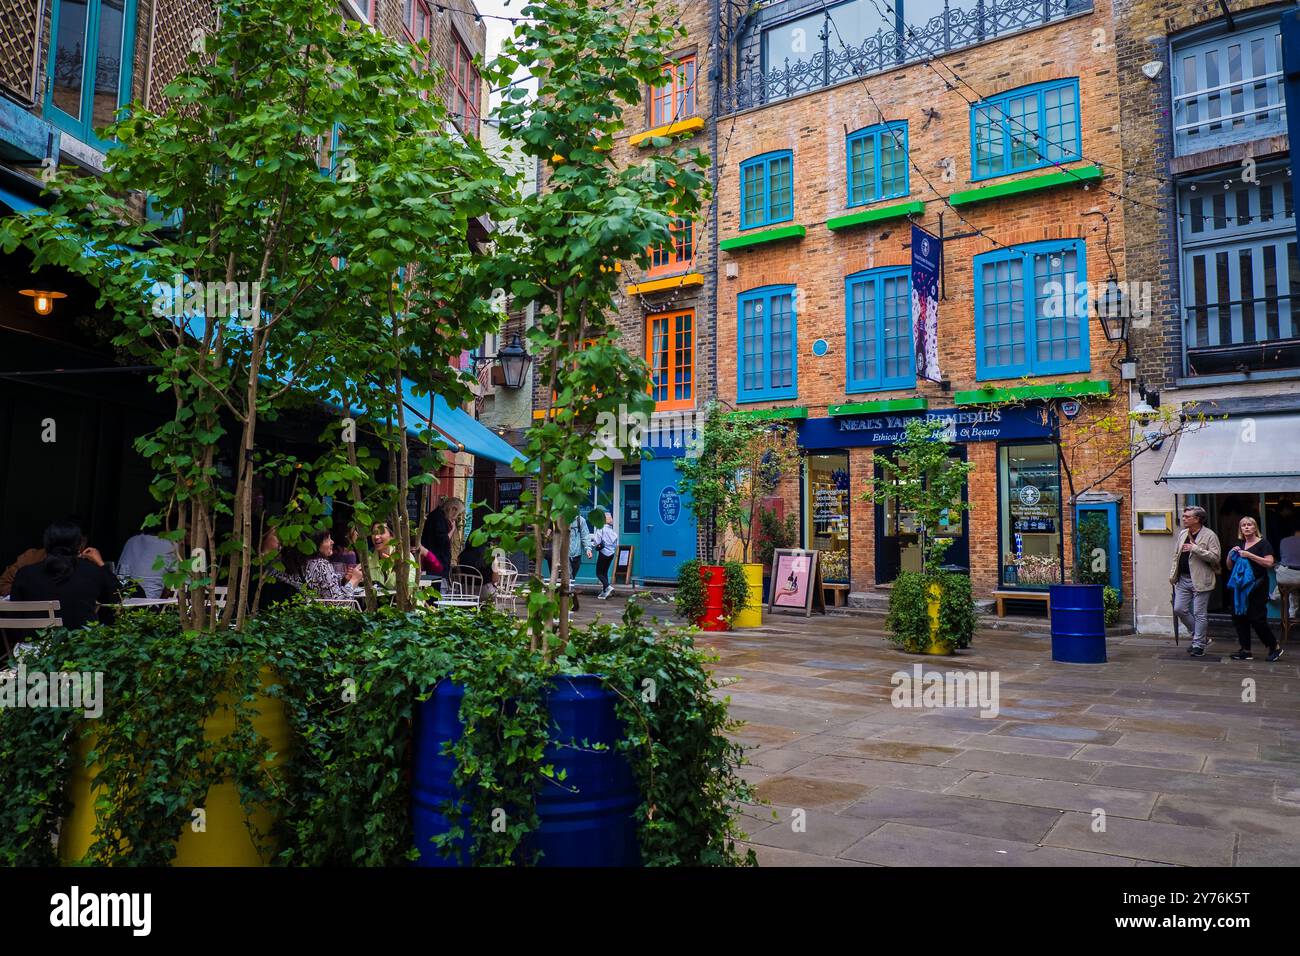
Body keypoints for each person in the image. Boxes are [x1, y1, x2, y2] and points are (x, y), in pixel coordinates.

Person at [9, 520, 120, 631]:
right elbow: (118, 597)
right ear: (79, 545)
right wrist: (101, 564)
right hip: (81, 641)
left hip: (35, 641)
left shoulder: (25, 573)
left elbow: (14, 615)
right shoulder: (93, 572)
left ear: (46, 544)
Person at [1226, 516, 1282, 662]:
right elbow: (1229, 566)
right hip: (1240, 587)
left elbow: (1269, 563)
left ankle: (1274, 646)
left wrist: (1249, 555)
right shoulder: (1239, 544)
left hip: (1258, 585)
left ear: (1255, 527)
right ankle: (1245, 650)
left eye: (1249, 524)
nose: (1246, 527)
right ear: (1240, 529)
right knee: (1239, 617)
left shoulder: (1263, 544)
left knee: (1257, 618)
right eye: (1243, 525)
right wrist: (1230, 554)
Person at [1169, 505, 1220, 658]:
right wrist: (1173, 575)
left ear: (1197, 519)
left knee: (1199, 613)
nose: (1183, 519)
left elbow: (1215, 557)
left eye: (1187, 516)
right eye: (1184, 516)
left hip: (1201, 579)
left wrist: (1195, 549)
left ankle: (1198, 644)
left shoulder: (1210, 535)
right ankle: (1200, 636)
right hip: (1183, 579)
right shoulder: (1183, 533)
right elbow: (1176, 556)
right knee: (1179, 609)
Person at [276, 529, 363, 600]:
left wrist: (344, 581)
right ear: (316, 544)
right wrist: (354, 580)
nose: (332, 542)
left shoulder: (295, 563)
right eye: (327, 539)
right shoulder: (321, 564)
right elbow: (338, 603)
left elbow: (322, 590)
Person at [116, 520, 178, 599]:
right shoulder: (170, 545)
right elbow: (185, 580)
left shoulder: (131, 541)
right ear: (167, 528)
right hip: (148, 603)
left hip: (121, 599)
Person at [566, 511, 593, 611]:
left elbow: (585, 535)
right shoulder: (561, 519)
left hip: (576, 554)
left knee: (571, 579)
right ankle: (570, 604)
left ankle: (569, 603)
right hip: (564, 555)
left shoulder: (580, 520)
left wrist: (588, 549)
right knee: (568, 578)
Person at [590, 509, 618, 600]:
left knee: (599, 573)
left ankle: (608, 587)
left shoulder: (601, 529)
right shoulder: (612, 531)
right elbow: (616, 544)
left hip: (603, 553)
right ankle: (605, 591)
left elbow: (596, 541)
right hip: (611, 554)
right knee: (604, 572)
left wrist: (590, 545)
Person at [1275, 527, 1300, 621]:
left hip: (1287, 577)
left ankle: (1275, 595)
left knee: (1279, 568)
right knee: (1294, 588)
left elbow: (1283, 557)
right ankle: (1292, 614)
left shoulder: (1284, 541)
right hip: (1294, 578)